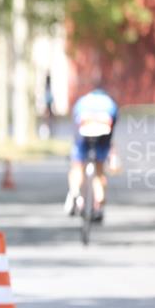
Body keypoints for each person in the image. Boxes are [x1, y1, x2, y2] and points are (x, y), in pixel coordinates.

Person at [65, 78, 118, 222]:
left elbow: (75, 124)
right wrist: (111, 152)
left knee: (77, 167)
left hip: (83, 133)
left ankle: (76, 194)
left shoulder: (83, 102)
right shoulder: (110, 104)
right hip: (103, 134)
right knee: (99, 171)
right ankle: (99, 203)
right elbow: (112, 130)